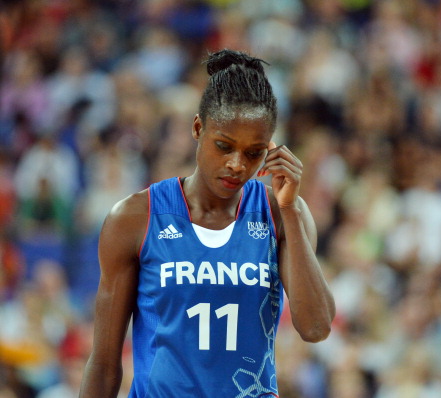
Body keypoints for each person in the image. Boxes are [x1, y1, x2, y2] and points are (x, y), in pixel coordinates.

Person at [79, 49, 336, 397]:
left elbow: (316, 327)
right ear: (198, 127)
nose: (236, 164)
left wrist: (289, 210)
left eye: (253, 152)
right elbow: (105, 363)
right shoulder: (135, 218)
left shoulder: (282, 214)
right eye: (223, 146)